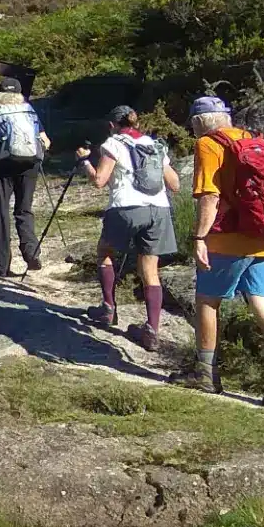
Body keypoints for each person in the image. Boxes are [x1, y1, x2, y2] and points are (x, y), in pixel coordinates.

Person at [174, 96, 264, 408]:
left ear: (198, 123)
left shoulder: (208, 144)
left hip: (231, 241)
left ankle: (206, 374)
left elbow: (210, 198)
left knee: (207, 302)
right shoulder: (253, 139)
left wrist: (199, 237)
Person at [75, 106, 181, 351]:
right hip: (159, 209)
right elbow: (174, 184)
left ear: (112, 125)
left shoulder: (113, 144)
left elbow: (99, 181)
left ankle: (108, 308)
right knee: (150, 270)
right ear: (136, 122)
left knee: (105, 252)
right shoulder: (154, 145)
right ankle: (152, 330)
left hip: (125, 208)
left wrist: (83, 161)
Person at [0, 77, 50, 278]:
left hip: (2, 165)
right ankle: (31, 252)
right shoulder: (29, 110)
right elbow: (46, 141)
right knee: (24, 209)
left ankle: (0, 263)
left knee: (1, 211)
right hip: (30, 164)